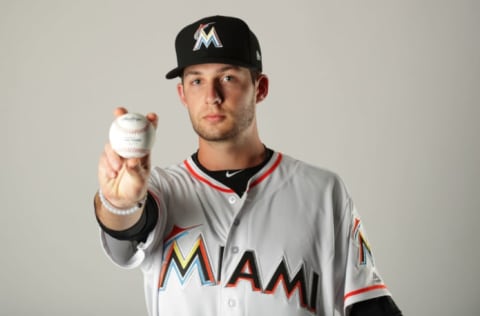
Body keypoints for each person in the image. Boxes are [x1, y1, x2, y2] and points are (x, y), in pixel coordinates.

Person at [94, 15, 402, 316]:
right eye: (197, 80)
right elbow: (129, 224)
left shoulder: (322, 191)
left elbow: (370, 306)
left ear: (261, 88)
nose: (212, 96)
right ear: (182, 94)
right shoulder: (162, 190)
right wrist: (120, 202)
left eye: (228, 78)